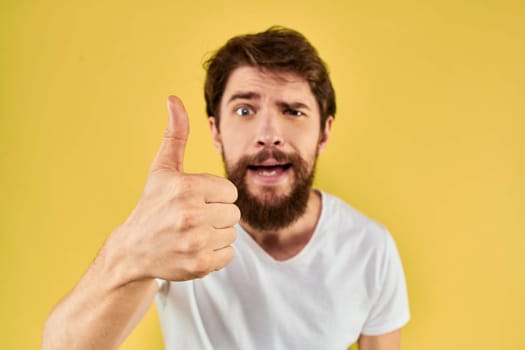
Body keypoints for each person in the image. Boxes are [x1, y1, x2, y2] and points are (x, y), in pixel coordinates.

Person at [42, 27, 410, 350]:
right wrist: (128, 250)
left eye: (293, 111)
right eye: (244, 111)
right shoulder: (178, 232)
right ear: (216, 131)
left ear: (324, 132)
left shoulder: (370, 249)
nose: (269, 135)